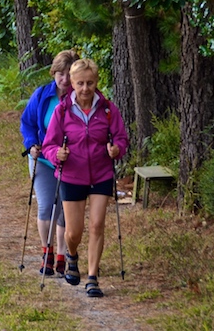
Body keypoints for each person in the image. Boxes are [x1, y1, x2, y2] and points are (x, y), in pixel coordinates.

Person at [42, 58, 128, 298]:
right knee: (73, 232)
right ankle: (71, 255)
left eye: (90, 83)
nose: (85, 89)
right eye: (80, 83)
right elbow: (49, 145)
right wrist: (56, 154)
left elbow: (121, 138)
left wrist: (116, 149)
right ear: (72, 82)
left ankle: (92, 278)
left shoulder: (108, 110)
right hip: (71, 174)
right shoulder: (62, 111)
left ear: (96, 82)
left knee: (98, 225)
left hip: (101, 173)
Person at [20, 49, 79, 277]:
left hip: (71, 163)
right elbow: (27, 122)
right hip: (43, 159)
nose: (64, 80)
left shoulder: (81, 97)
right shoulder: (43, 95)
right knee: (46, 206)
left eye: (69, 75)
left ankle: (63, 256)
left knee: (65, 210)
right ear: (53, 73)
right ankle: (48, 253)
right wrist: (32, 143)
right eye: (60, 74)